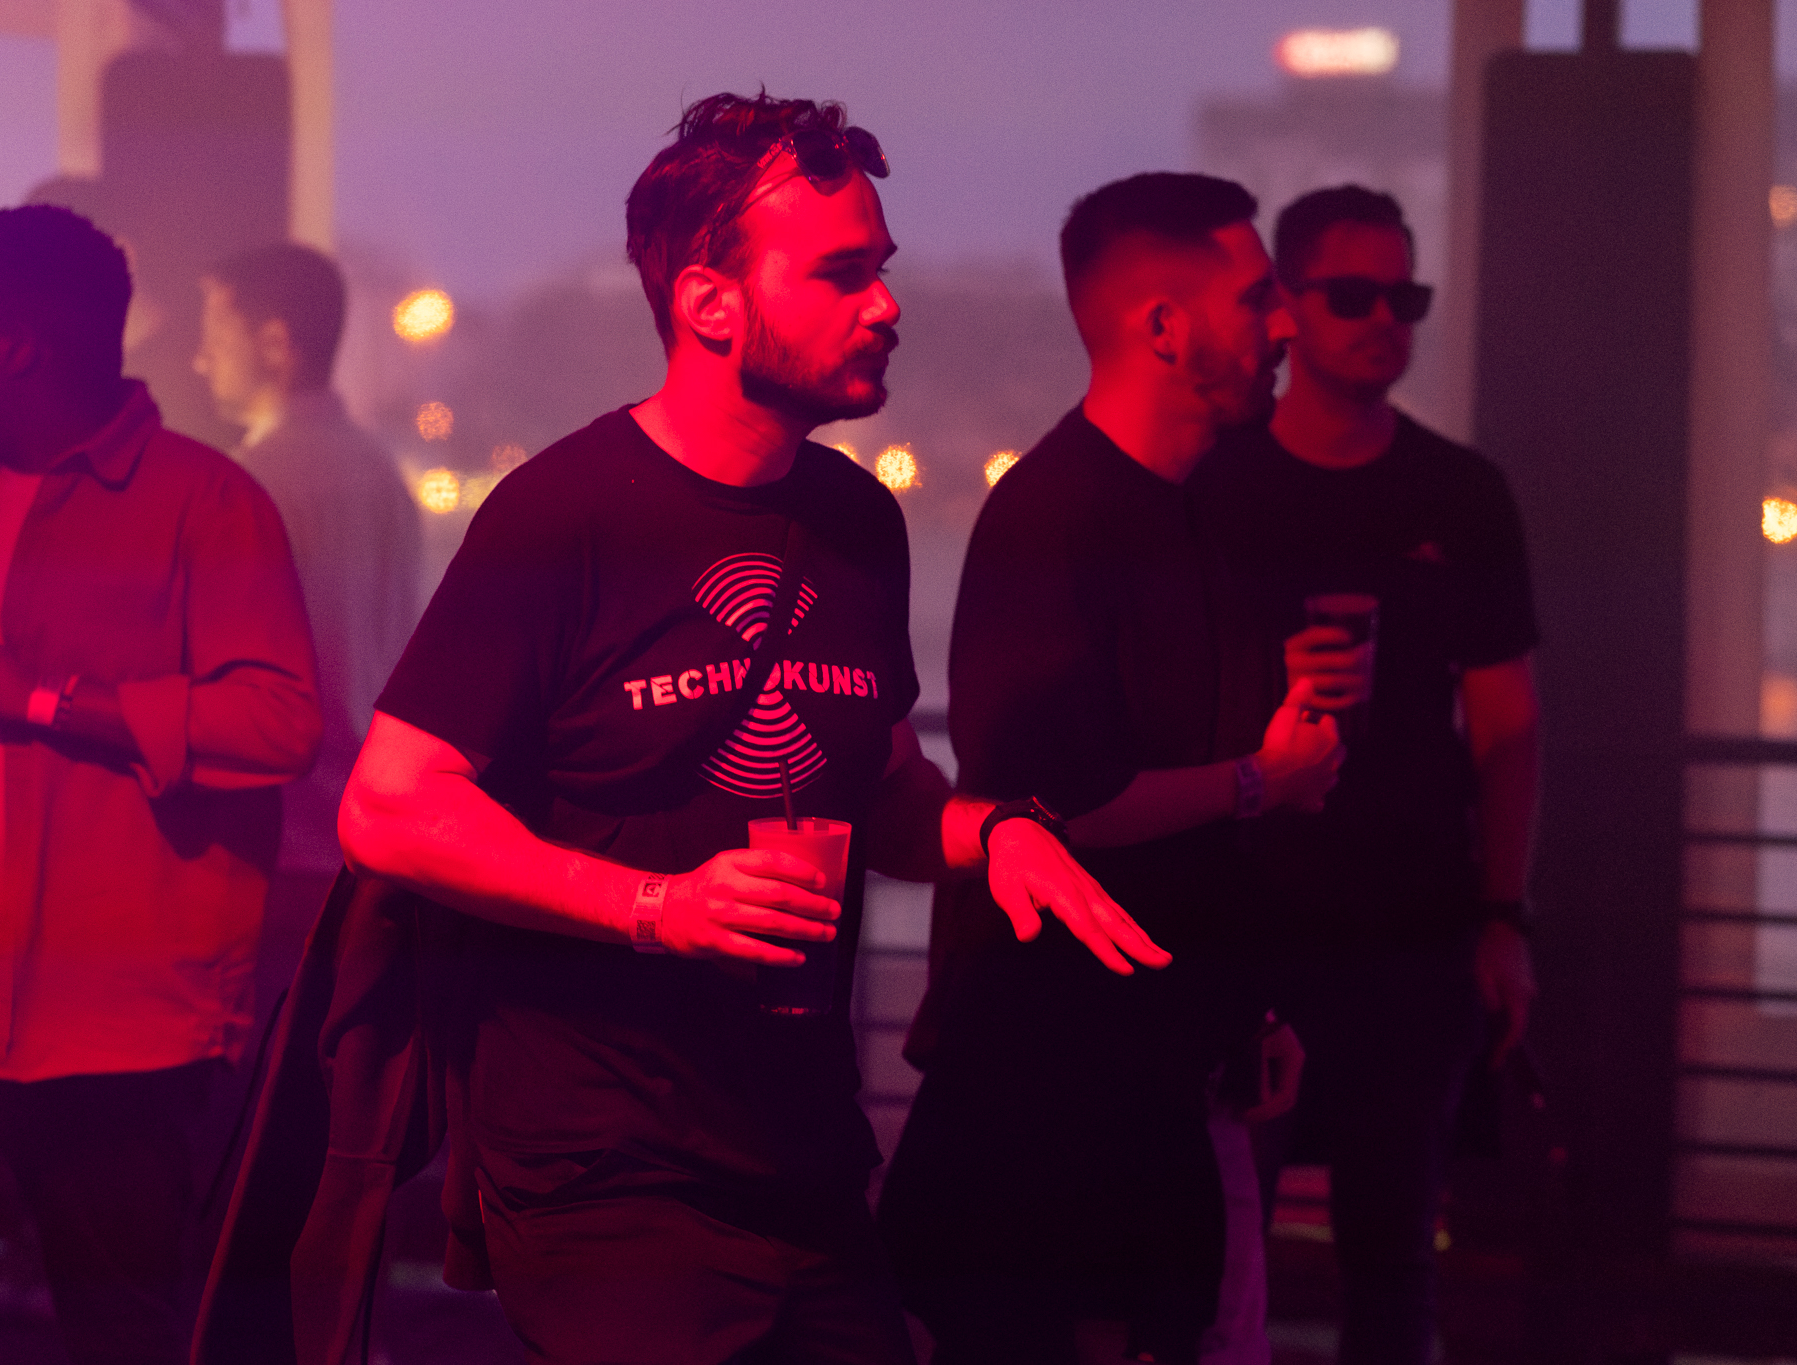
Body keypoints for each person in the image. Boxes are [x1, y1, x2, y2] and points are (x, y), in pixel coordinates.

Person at [310, 92, 1169, 1364]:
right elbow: (387, 804)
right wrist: (657, 908)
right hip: (604, 1170)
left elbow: (881, 787)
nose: (885, 305)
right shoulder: (565, 515)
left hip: (801, 1152)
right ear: (709, 303)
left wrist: (993, 836)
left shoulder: (856, 521)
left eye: (880, 269)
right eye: (840, 274)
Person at [0, 205, 321, 1365]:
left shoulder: (206, 505)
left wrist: (37, 698)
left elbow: (280, 721)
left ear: (18, 347)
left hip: (108, 1010)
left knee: (120, 1332)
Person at [876, 172, 1341, 1365]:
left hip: (1172, 1064)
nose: (1285, 325)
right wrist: (1265, 778)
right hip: (1050, 1091)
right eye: (1257, 297)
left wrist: (1253, 999)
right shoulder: (1054, 518)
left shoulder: (1204, 511)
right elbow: (1055, 809)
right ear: (1163, 326)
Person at [1192, 184, 1540, 1365]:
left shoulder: (1458, 493)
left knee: (1392, 1266)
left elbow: (1506, 720)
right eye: (1352, 295)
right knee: (1222, 1255)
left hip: (1411, 934)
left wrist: (1501, 918)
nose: (1385, 320)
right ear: (1285, 307)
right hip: (1249, 926)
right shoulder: (1216, 484)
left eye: (1405, 297)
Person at [193, 241, 423, 1039]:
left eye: (216, 336)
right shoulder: (382, 473)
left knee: (259, 1077)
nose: (199, 359)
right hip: (368, 841)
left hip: (281, 841)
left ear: (275, 343)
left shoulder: (251, 482)